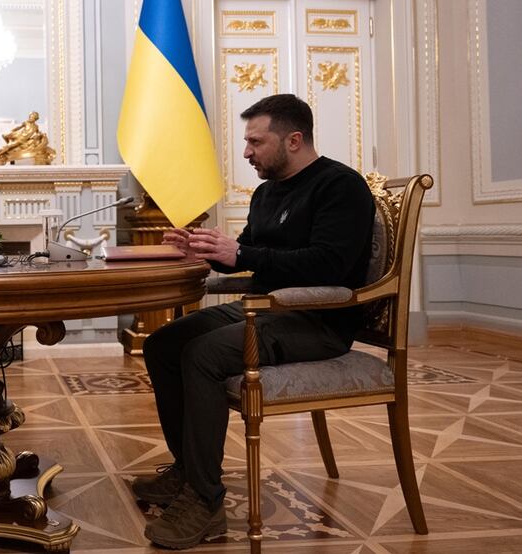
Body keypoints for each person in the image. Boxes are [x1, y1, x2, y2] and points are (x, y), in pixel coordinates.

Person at [134, 93, 376, 549]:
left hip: (317, 320)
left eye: (255, 142)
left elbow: (328, 264)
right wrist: (206, 251)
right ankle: (187, 469)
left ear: (294, 140)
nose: (246, 153)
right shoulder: (267, 192)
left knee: (203, 354)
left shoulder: (340, 186)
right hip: (264, 308)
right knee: (162, 343)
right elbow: (251, 254)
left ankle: (204, 501)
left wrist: (241, 253)